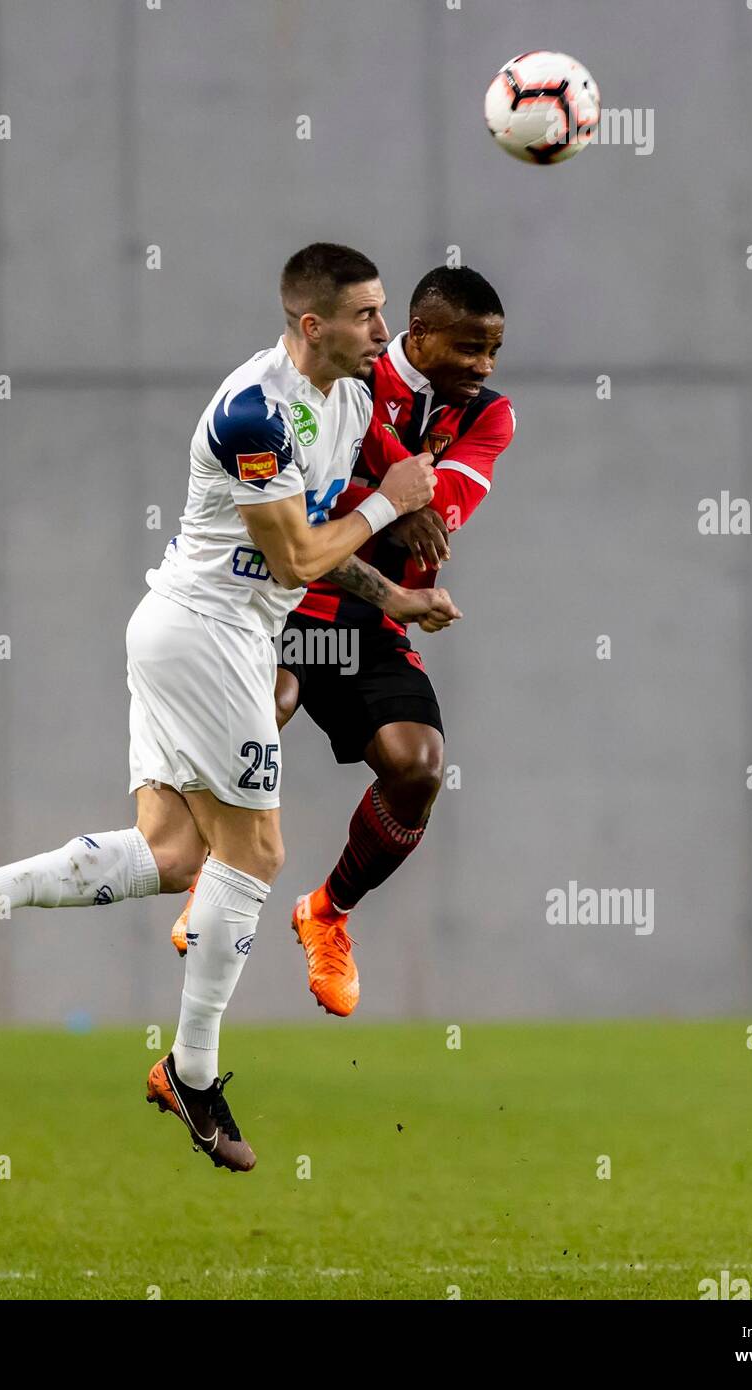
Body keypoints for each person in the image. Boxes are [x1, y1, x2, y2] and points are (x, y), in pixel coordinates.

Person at [0, 244, 461, 1172]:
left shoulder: (352, 400)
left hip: (204, 633)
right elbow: (294, 559)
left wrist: (395, 599)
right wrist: (387, 506)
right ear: (310, 324)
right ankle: (192, 1071)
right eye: (368, 316)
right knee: (257, 851)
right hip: (205, 635)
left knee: (175, 857)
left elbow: (316, 542)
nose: (384, 332)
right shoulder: (256, 412)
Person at [171, 266, 513, 1018]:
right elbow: (309, 492)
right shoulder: (348, 381)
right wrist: (394, 487)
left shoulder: (489, 414)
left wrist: (388, 488)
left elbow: (441, 513)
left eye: (492, 351)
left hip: (371, 613)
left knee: (417, 766)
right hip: (290, 598)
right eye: (468, 349)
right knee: (268, 701)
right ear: (419, 337)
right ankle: (213, 872)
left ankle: (325, 913)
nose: (483, 367)